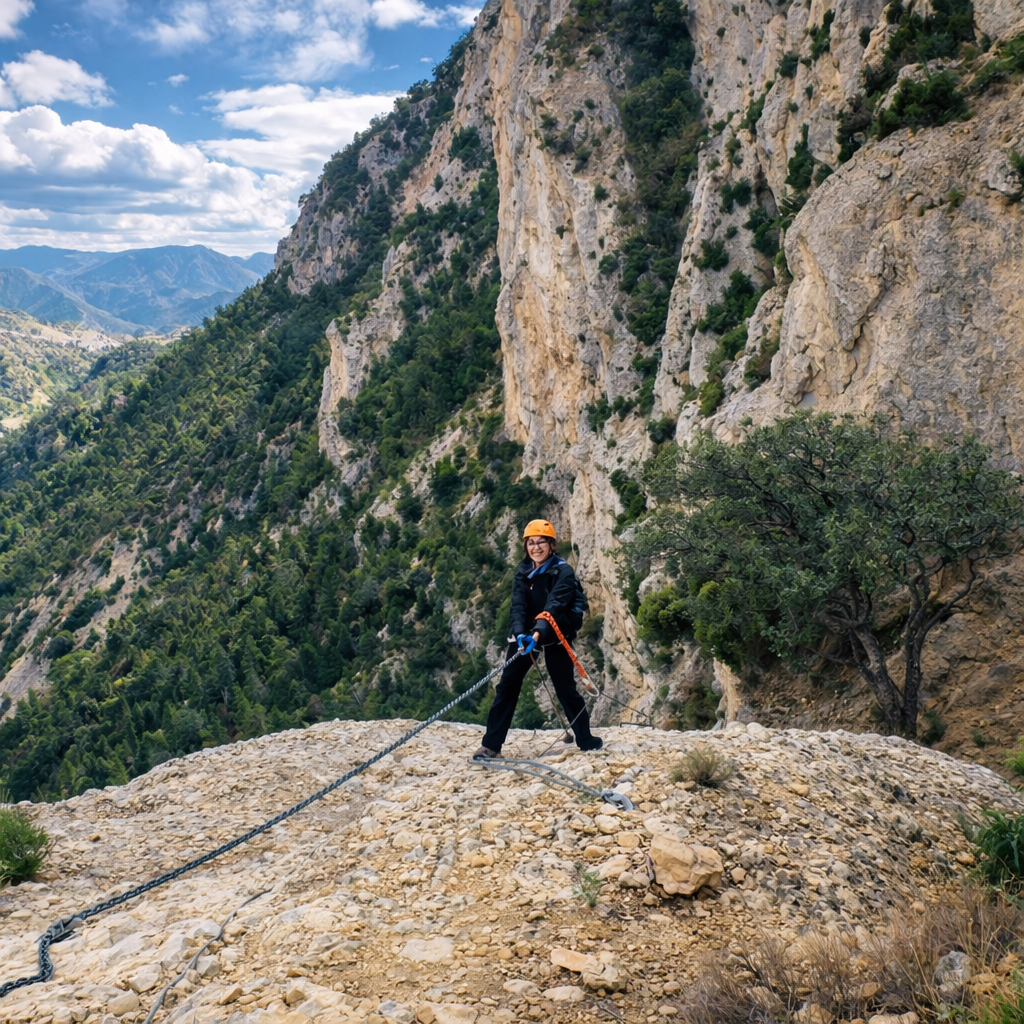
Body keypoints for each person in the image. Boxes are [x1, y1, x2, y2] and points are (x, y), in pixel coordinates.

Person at [473, 519, 602, 758]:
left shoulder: (563, 571)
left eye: (542, 542)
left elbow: (555, 605)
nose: (536, 547)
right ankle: (491, 745)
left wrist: (538, 632)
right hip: (527, 635)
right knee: (507, 685)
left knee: (565, 687)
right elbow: (518, 605)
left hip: (554, 632)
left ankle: (585, 738)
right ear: (526, 547)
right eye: (531, 543)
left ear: (552, 545)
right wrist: (521, 633)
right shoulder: (523, 572)